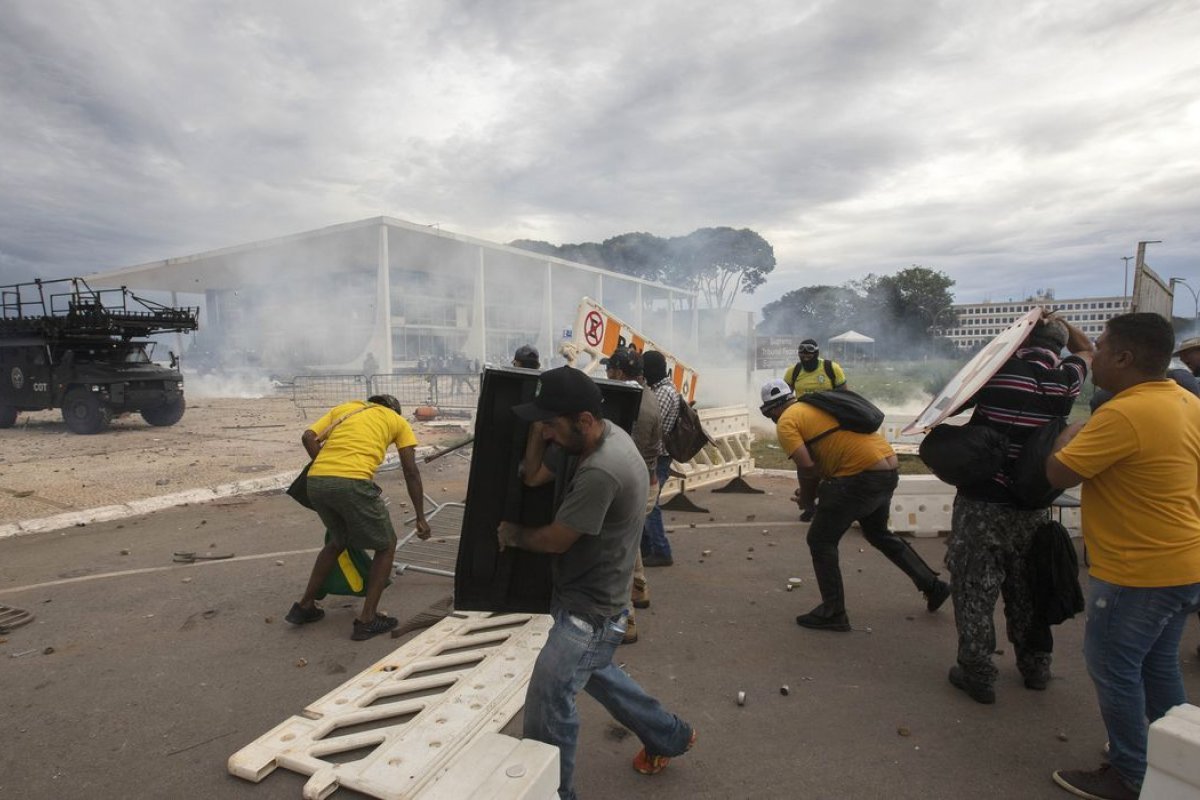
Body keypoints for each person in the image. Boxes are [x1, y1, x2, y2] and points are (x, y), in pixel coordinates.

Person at [499, 366, 695, 800]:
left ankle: (554, 794)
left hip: (591, 613)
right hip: (584, 597)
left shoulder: (602, 468)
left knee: (549, 705)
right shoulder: (583, 440)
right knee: (597, 675)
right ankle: (670, 736)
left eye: (551, 424)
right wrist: (539, 429)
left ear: (583, 419)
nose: (548, 433)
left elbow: (554, 540)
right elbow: (532, 476)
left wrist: (513, 534)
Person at [1045, 313, 1200, 800]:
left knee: (1113, 666)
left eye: (1104, 347)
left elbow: (1057, 475)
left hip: (1139, 569)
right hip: (1184, 561)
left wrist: (1067, 434)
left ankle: (1129, 773)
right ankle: (1177, 761)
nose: (1095, 357)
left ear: (1125, 358)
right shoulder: (1185, 400)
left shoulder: (1122, 414)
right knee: (1156, 666)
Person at [944, 314, 1092, 704]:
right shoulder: (1068, 379)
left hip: (982, 500)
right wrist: (1062, 323)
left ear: (1024, 338)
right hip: (1032, 502)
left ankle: (977, 672)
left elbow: (950, 401)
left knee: (975, 586)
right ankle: (1036, 665)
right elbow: (1086, 350)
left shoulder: (997, 372)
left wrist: (1021, 330)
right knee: (1028, 585)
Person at [759, 377, 950, 632]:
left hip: (857, 477)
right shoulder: (818, 405)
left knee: (821, 541)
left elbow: (806, 468)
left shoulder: (786, 421)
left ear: (772, 409)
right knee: (878, 533)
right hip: (886, 468)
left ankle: (833, 611)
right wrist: (812, 491)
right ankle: (933, 586)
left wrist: (806, 499)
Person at [285, 394, 432, 641]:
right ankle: (367, 620)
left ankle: (305, 606)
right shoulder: (397, 421)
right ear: (393, 410)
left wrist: (327, 466)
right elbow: (411, 471)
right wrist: (420, 516)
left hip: (317, 481)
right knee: (386, 545)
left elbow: (308, 437)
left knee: (338, 540)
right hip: (353, 483)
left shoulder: (346, 408)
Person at [601, 347, 663, 644]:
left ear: (619, 372)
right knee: (631, 540)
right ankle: (640, 588)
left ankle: (625, 621)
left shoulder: (629, 401)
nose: (606, 373)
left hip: (631, 486)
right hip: (647, 482)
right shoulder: (648, 393)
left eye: (609, 369)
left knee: (617, 552)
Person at [782, 339, 847, 521]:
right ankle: (809, 505)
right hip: (804, 426)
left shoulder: (831, 368)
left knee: (829, 465)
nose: (805, 357)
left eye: (809, 354)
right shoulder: (793, 372)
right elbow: (786, 397)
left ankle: (824, 502)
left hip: (830, 426)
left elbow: (845, 395)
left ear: (816, 353)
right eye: (802, 354)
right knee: (805, 466)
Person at [641, 350, 679, 567]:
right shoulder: (661, 388)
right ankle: (647, 547)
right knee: (646, 503)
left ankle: (661, 550)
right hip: (658, 456)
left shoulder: (663, 393)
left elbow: (654, 427)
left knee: (651, 504)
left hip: (658, 457)